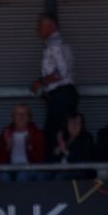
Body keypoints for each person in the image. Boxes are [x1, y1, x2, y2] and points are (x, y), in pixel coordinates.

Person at [31, 13, 78, 148]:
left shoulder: (56, 44)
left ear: (51, 26)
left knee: (56, 135)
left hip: (62, 96)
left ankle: (61, 164)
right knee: (58, 134)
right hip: (61, 96)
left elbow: (61, 73)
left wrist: (40, 82)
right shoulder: (56, 43)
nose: (37, 30)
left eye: (40, 26)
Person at [0, 102, 46, 166]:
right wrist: (7, 147)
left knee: (22, 175)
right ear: (13, 117)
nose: (21, 116)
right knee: (3, 176)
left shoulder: (37, 134)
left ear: (29, 117)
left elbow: (40, 160)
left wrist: (30, 147)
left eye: (24, 114)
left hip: (30, 169)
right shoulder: (6, 133)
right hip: (9, 169)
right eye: (18, 114)